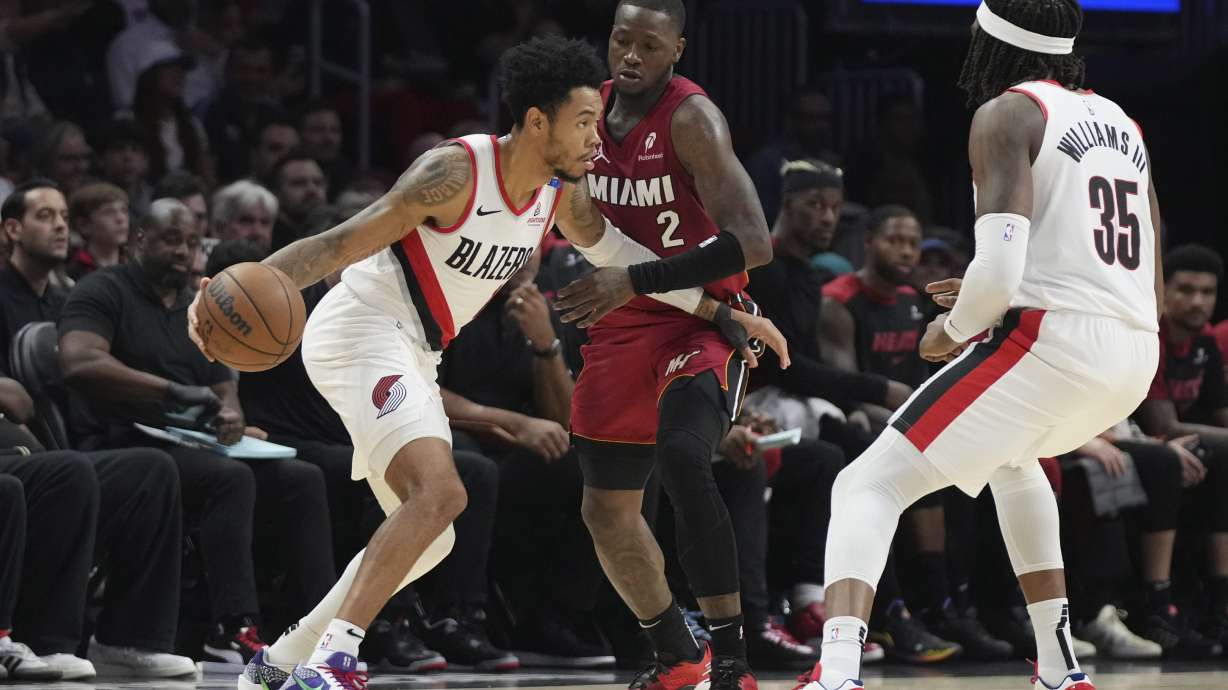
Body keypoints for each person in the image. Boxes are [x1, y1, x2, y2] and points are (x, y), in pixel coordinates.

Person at [184, 34, 785, 690]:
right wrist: (227, 292)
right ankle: (333, 664)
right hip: (362, 329)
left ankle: (278, 663)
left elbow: (618, 254)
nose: (597, 139)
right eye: (584, 122)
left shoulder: (559, 191)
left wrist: (718, 312)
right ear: (537, 122)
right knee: (440, 494)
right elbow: (337, 244)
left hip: (415, 349)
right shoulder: (456, 173)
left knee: (430, 535)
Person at [797, 1, 1162, 689]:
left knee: (864, 484)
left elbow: (998, 273)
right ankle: (1059, 670)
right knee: (1014, 461)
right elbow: (1137, 266)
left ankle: (836, 674)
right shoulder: (1122, 122)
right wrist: (986, 299)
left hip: (1054, 345)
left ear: (991, 45)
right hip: (1135, 352)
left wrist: (953, 328)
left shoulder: (1008, 113)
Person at [545, 2, 783, 689]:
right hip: (620, 322)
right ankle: (678, 653)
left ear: (677, 49)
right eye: (622, 39)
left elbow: (756, 244)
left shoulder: (692, 120)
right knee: (605, 508)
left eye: (650, 44)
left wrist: (639, 280)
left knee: (683, 458)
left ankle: (734, 664)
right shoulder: (584, 115)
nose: (631, 55)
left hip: (703, 323)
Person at [58, 198, 335, 666]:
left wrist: (231, 414)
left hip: (192, 444)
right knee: (229, 479)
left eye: (191, 242)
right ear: (139, 238)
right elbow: (79, 361)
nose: (184, 252)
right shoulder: (102, 291)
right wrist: (172, 392)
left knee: (300, 478)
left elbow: (223, 383)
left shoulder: (198, 305)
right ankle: (232, 629)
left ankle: (317, 631)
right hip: (120, 439)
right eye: (171, 240)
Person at [1133, 244, 1228, 651]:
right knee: (1176, 462)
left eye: (1207, 293)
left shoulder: (1206, 344)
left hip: (1183, 447)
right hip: (1132, 443)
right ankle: (1156, 606)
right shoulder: (1148, 335)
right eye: (1186, 290)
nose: (1197, 301)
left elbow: (1221, 416)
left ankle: (1218, 604)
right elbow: (1163, 425)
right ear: (1162, 290)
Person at [66, 182, 130, 281]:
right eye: (108, 212)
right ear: (84, 225)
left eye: (124, 211)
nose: (121, 218)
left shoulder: (136, 267)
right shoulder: (71, 274)